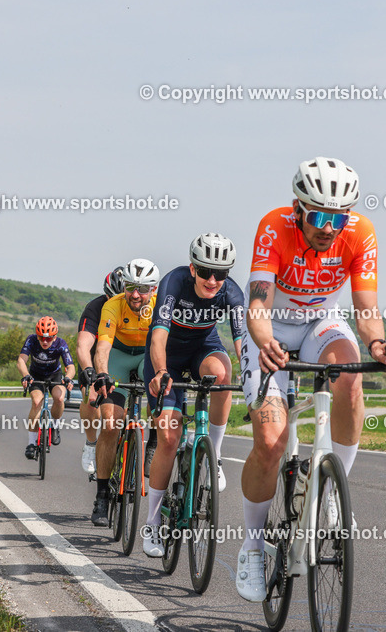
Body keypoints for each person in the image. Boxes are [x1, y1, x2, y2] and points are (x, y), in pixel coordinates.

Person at [235, 157, 386, 601]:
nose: (330, 227)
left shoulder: (360, 233)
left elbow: (365, 306)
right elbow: (257, 303)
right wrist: (265, 341)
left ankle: (332, 485)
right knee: (271, 441)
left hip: (319, 323)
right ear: (298, 207)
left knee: (350, 380)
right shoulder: (274, 226)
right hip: (270, 325)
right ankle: (253, 546)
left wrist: (378, 346)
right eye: (320, 216)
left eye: (339, 217)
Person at [140, 233, 245, 558]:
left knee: (223, 375)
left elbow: (242, 341)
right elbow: (158, 336)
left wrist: (254, 374)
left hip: (203, 348)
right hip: (167, 356)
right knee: (169, 439)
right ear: (192, 268)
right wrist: (160, 372)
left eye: (221, 274)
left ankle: (213, 454)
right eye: (204, 272)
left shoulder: (232, 293)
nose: (212, 280)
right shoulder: (174, 283)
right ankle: (153, 521)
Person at [89, 258, 160, 526]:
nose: (135, 294)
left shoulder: (160, 305)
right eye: (130, 286)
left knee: (160, 394)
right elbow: (103, 348)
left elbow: (166, 345)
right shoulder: (113, 305)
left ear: (153, 289)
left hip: (146, 355)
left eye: (142, 289)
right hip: (118, 356)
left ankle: (152, 442)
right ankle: (102, 495)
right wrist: (103, 374)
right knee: (110, 423)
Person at [75, 265, 127, 475]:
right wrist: (88, 368)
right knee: (91, 396)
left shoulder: (142, 306)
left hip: (126, 358)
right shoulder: (95, 308)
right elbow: (83, 345)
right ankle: (90, 443)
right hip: (98, 359)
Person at [17, 316, 76, 460]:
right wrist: (25, 375)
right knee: (37, 402)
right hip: (36, 375)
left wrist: (68, 377)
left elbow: (71, 367)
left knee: (59, 398)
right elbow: (21, 360)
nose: (44, 341)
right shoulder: (31, 340)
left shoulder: (61, 344)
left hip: (54, 375)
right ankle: (31, 443)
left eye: (49, 339)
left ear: (54, 337)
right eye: (41, 338)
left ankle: (55, 426)